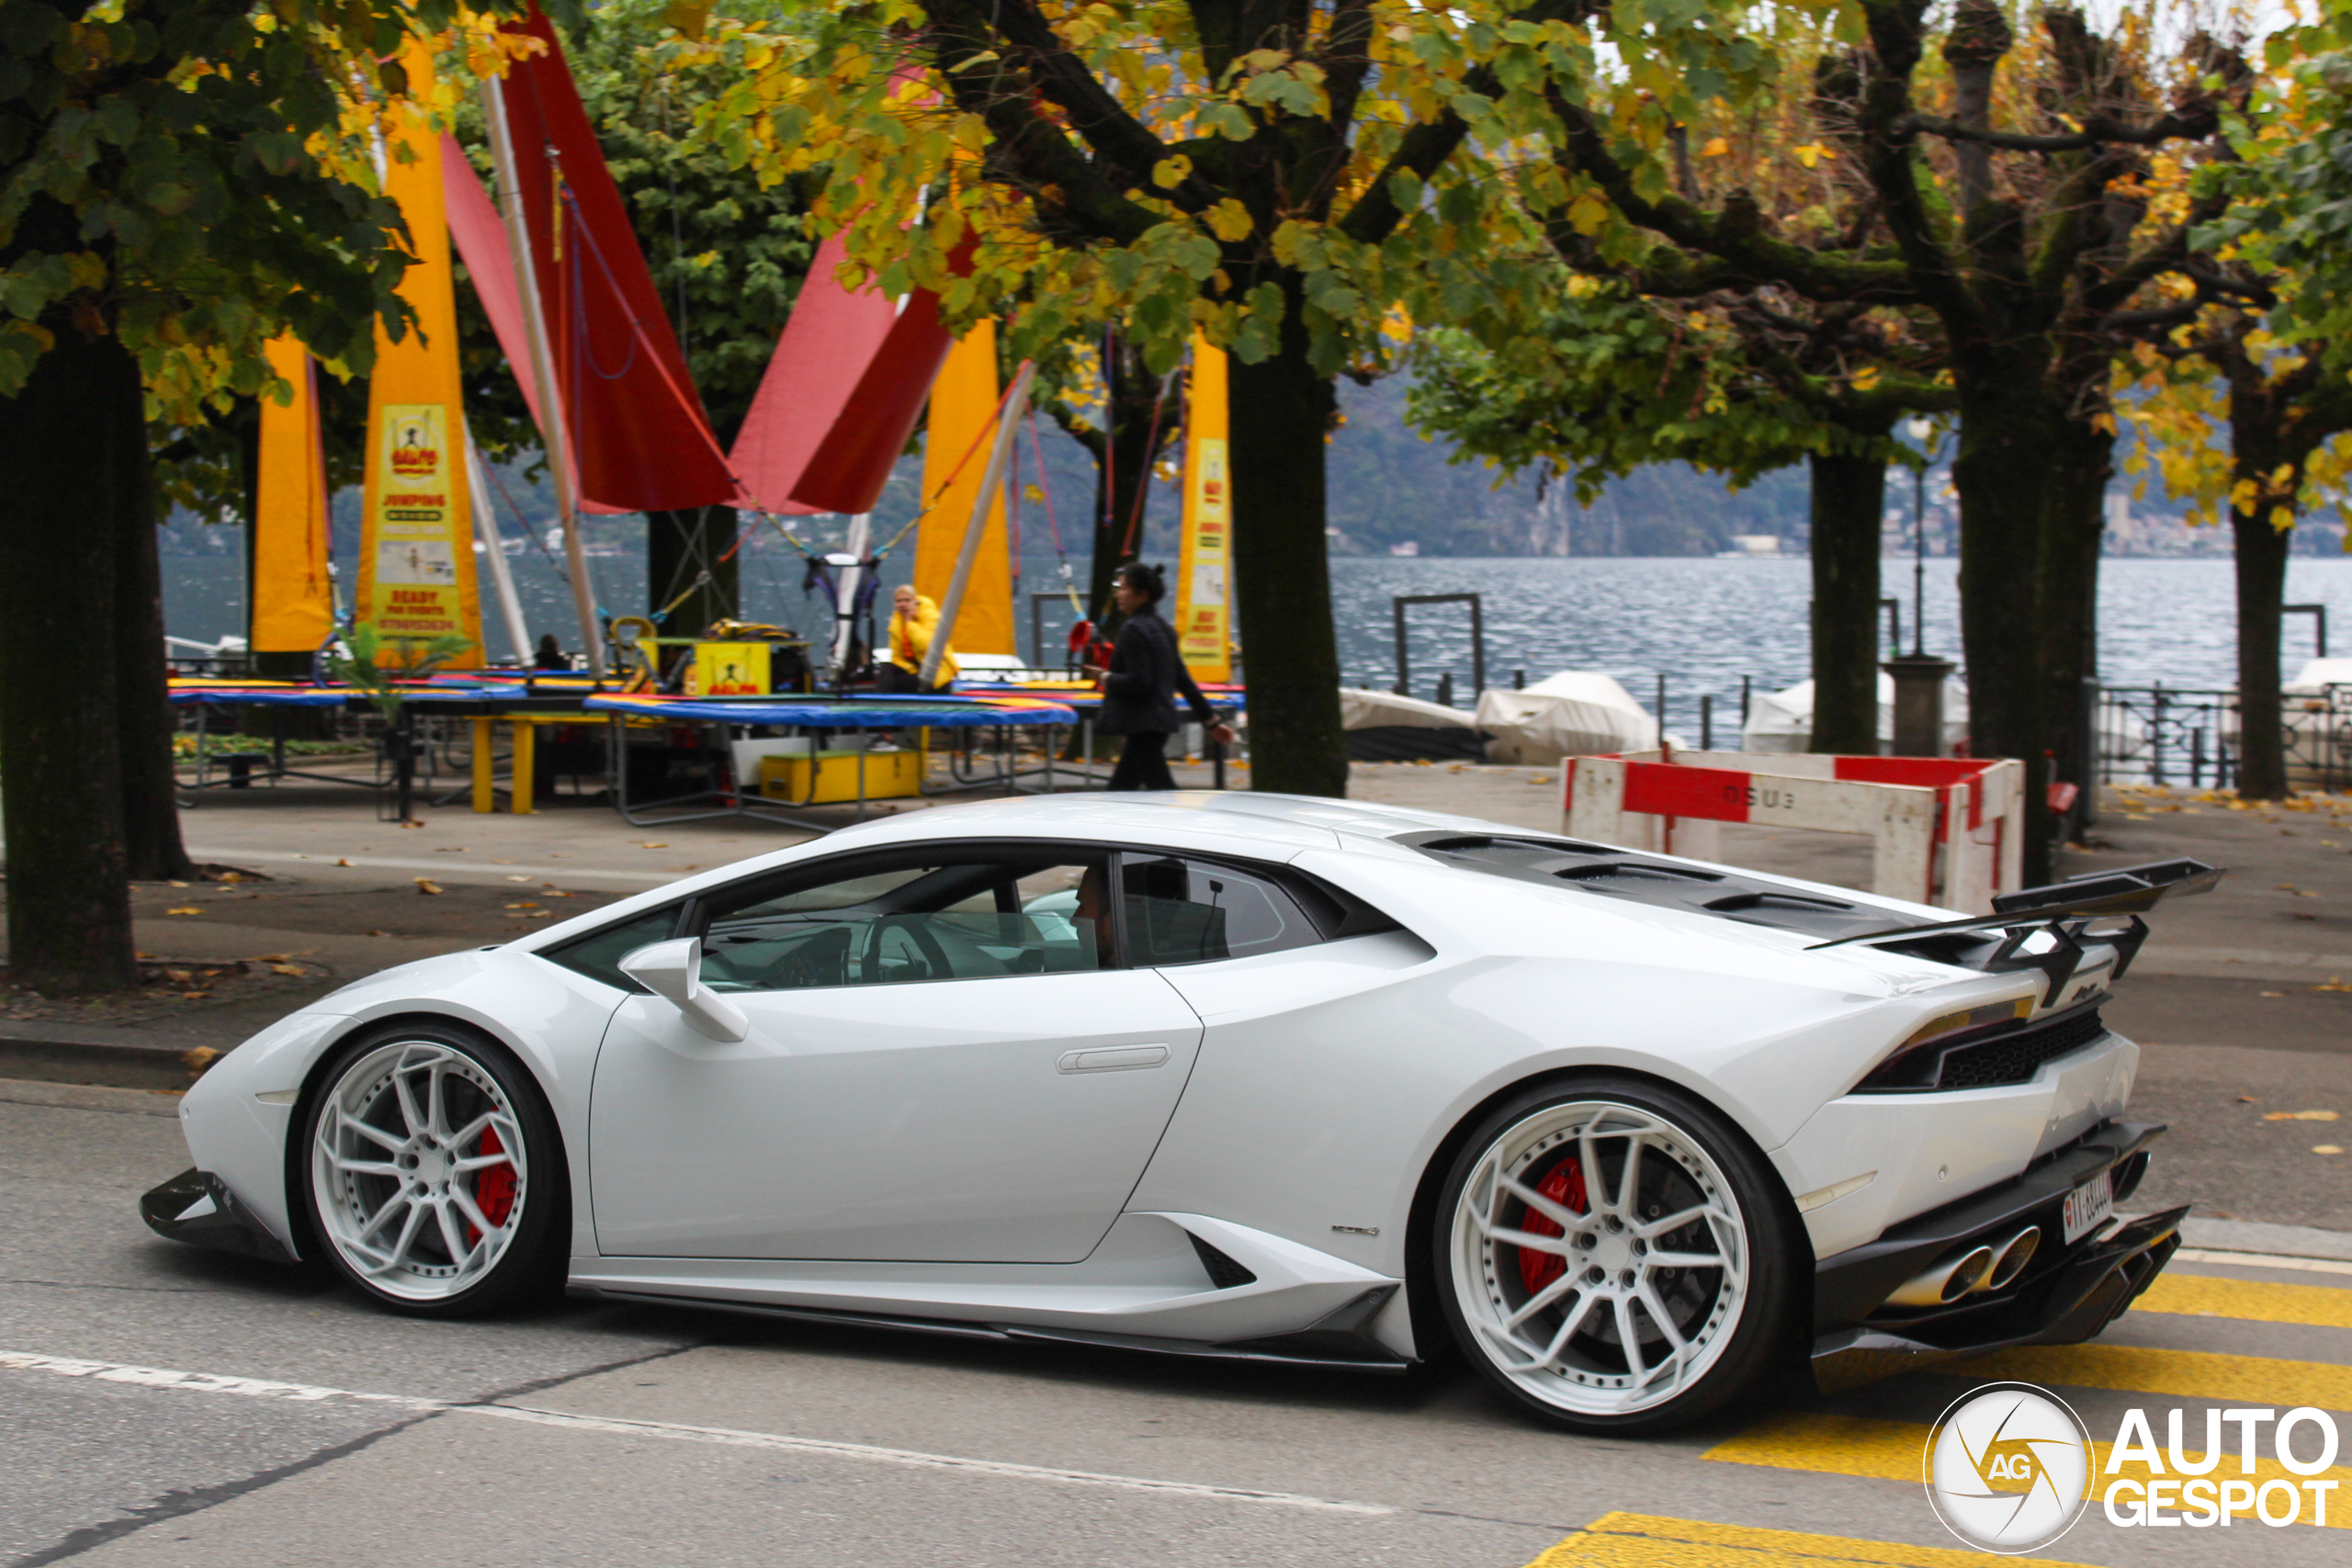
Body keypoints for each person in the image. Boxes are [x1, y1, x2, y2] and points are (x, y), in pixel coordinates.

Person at [1085, 562, 1237, 791]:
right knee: (1122, 790)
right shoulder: (1164, 628)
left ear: (1142, 595)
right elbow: (1183, 680)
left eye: (1124, 588)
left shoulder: (1133, 629)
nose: (1118, 594)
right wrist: (1211, 722)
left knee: (1159, 790)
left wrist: (1105, 678)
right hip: (1158, 724)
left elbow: (1140, 681)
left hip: (1141, 723)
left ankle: (1182, 816)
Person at [881, 584, 956, 694]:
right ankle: (882, 700)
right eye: (898, 601)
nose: (903, 604)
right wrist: (910, 669)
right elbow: (897, 657)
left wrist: (910, 623)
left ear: (915, 602)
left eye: (907, 600)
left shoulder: (930, 615)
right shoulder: (897, 621)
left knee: (894, 683)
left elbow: (926, 646)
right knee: (886, 668)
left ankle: (886, 698)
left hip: (936, 672)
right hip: (915, 668)